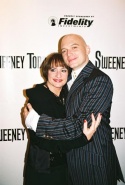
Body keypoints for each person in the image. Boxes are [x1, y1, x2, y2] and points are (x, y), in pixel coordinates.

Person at [24, 34, 125, 185]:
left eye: (74, 47)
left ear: (87, 49)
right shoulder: (69, 82)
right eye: (64, 50)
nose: (68, 53)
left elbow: (80, 125)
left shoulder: (98, 80)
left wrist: (35, 121)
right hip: (66, 165)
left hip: (92, 162)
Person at [23, 53, 101, 185]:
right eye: (53, 70)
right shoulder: (38, 97)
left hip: (67, 167)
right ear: (46, 71)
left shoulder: (70, 95)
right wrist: (82, 139)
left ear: (69, 73)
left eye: (63, 70)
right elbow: (45, 142)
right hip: (43, 170)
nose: (58, 75)